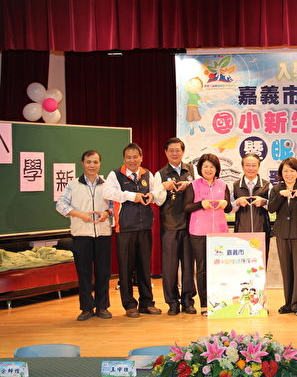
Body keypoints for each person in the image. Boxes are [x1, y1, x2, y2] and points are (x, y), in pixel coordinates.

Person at [103, 143, 162, 318]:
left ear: (141, 158)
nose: (132, 160)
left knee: (144, 267)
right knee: (126, 268)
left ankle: (147, 303)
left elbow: (157, 193)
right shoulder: (115, 175)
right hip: (125, 228)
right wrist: (131, 196)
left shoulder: (148, 174)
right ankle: (129, 305)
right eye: (129, 157)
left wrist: (152, 195)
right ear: (124, 159)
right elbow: (108, 193)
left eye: (135, 157)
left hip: (145, 227)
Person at [56, 150, 113, 321]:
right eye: (89, 162)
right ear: (82, 163)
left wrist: (106, 213)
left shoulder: (107, 184)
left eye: (95, 162)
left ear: (100, 164)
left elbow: (114, 205)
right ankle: (87, 308)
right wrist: (80, 214)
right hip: (81, 235)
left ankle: (102, 307)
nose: (92, 165)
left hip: (103, 234)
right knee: (84, 273)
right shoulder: (72, 185)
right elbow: (60, 205)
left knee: (103, 273)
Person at [184, 153, 232, 314]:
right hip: (198, 233)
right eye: (206, 166)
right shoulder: (193, 185)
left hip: (220, 232)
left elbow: (229, 208)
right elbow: (186, 207)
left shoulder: (223, 185)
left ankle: (219, 301)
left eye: (212, 167)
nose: (209, 169)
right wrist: (201, 204)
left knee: (219, 268)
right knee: (202, 269)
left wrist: (226, 203)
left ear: (217, 169)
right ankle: (205, 304)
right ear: (200, 168)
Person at [153, 137, 196, 315]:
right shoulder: (160, 174)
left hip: (190, 224)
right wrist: (164, 187)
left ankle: (188, 301)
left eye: (178, 150)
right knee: (169, 267)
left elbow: (199, 190)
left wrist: (189, 184)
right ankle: (172, 302)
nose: (174, 153)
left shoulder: (191, 170)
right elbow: (157, 200)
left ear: (183, 152)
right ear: (165, 152)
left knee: (188, 266)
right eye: (171, 150)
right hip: (170, 225)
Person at [268, 157, 297, 316]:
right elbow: (271, 209)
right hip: (282, 233)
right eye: (286, 171)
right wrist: (280, 196)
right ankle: (288, 303)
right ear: (281, 173)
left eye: (292, 171)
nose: (289, 174)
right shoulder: (276, 189)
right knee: (286, 269)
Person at [230, 153, 271, 265]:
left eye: (254, 165)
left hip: (262, 231)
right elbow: (230, 209)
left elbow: (273, 207)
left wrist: (264, 202)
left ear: (259, 166)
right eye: (247, 165)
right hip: (241, 232)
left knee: (260, 265)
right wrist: (237, 202)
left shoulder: (267, 185)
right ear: (242, 166)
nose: (251, 168)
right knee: (243, 265)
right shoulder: (235, 185)